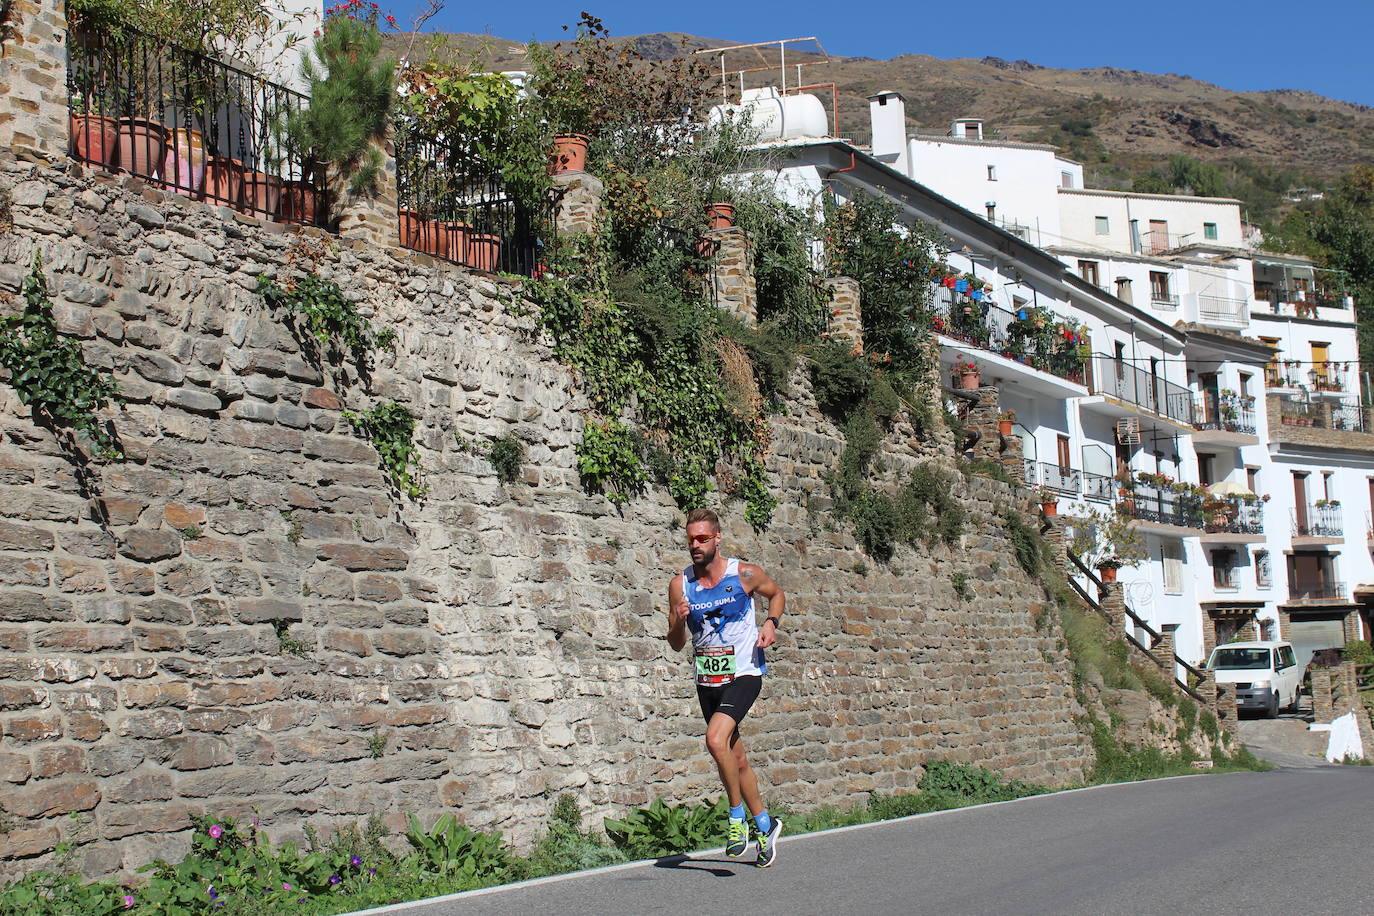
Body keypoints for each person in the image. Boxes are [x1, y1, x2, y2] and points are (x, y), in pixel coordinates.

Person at [666, 507, 786, 867]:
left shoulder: (744, 574)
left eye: (702, 538)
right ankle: (765, 824)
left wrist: (771, 623)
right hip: (708, 679)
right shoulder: (680, 585)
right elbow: (675, 643)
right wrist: (678, 621)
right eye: (691, 539)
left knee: (715, 740)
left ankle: (736, 820)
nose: (695, 545)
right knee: (736, 757)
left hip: (744, 673)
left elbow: (776, 594)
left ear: (717, 538)